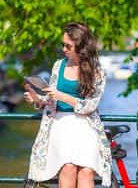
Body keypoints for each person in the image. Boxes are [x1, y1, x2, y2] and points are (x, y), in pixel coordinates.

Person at [23, 22, 112, 188]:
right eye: (63, 44)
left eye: (68, 46)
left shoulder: (97, 70)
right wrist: (37, 99)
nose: (64, 49)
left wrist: (63, 97)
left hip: (87, 124)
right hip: (60, 122)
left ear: (81, 46)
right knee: (68, 168)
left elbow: (91, 106)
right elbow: (52, 99)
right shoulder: (59, 65)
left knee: (86, 170)